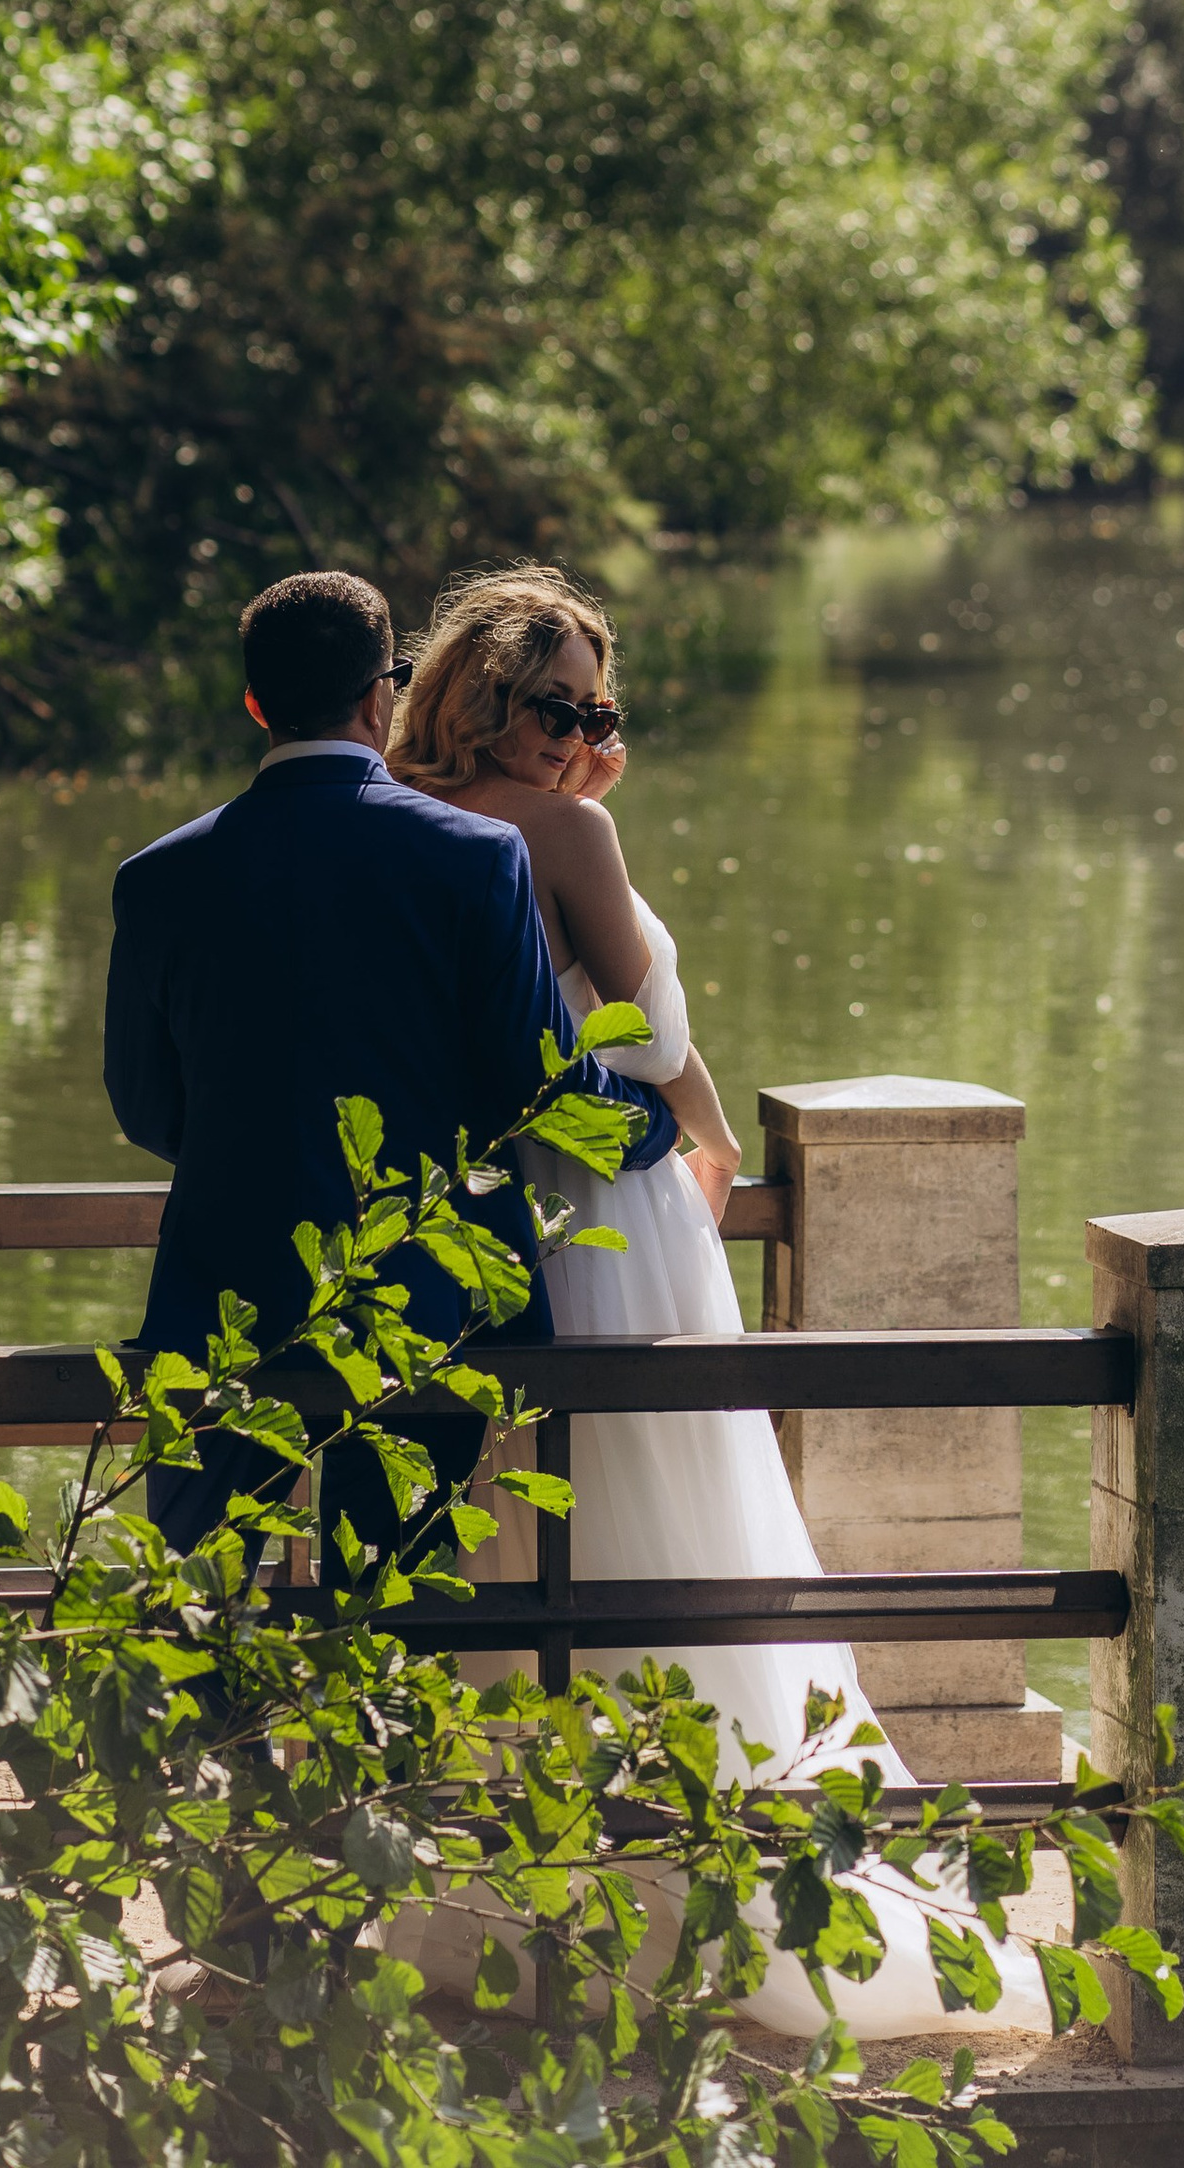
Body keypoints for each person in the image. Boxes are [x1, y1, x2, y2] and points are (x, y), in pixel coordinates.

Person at [389, 564, 1048, 2040]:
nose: (581, 731)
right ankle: (694, 1879)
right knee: (665, 1501)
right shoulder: (565, 827)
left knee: (518, 1523)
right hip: (606, 1217)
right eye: (561, 703)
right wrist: (714, 1131)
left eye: (598, 708)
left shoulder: (407, 813)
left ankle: (510, 1890)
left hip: (475, 1214)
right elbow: (646, 1025)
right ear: (490, 694)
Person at [102, 566, 679, 1559]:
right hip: (427, 1303)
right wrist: (654, 1127)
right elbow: (535, 1081)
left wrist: (265, 1161)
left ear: (254, 705)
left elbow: (146, 1108)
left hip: (225, 1300)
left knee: (198, 1609)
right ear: (381, 697)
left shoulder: (157, 876)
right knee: (385, 1610)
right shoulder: (472, 856)